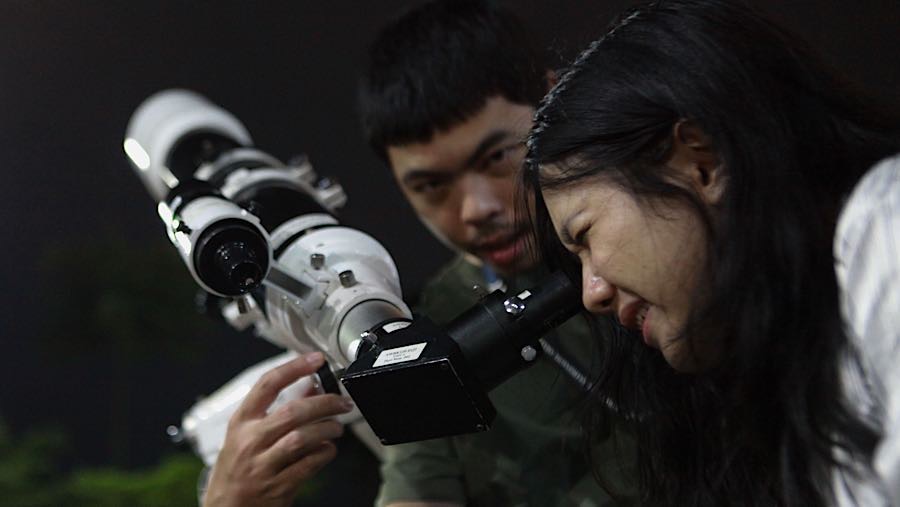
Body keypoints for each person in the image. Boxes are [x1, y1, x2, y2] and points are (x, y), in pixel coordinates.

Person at [523, 0, 900, 505]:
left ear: (700, 163)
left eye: (585, 235)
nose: (592, 292)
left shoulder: (886, 224)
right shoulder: (793, 375)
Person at [358, 1, 634, 506]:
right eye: (431, 186)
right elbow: (416, 484)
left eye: (497, 157)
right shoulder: (435, 320)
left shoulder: (660, 233)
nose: (476, 209)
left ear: (556, 100)